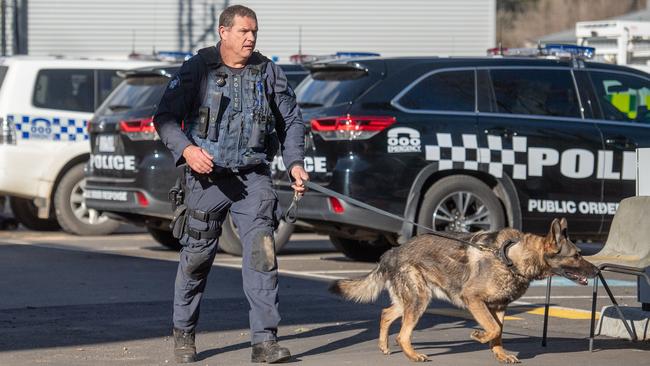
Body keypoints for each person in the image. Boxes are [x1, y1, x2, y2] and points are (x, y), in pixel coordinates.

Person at [153, 4, 308, 364]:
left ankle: (264, 342)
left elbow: (292, 121)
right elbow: (164, 119)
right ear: (224, 32)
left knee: (262, 256)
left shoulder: (268, 70)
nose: (251, 38)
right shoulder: (198, 69)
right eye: (243, 31)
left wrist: (296, 162)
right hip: (206, 180)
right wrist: (188, 151)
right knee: (196, 260)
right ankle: (184, 334)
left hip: (253, 178)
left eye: (255, 31)